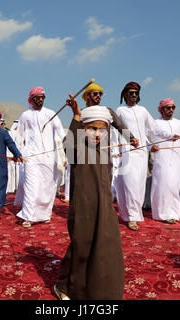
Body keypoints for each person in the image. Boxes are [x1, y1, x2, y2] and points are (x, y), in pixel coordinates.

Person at [54, 94, 124, 300]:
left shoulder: (105, 149)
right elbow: (68, 145)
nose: (97, 133)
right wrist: (76, 116)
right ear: (83, 129)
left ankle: (101, 290)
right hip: (83, 208)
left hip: (104, 206)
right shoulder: (78, 149)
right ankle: (64, 286)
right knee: (82, 247)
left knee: (106, 246)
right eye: (92, 128)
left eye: (102, 129)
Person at [114, 83, 179, 231]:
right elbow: (116, 129)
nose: (133, 95)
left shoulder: (143, 110)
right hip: (126, 151)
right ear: (125, 95)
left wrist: (169, 136)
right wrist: (121, 145)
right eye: (130, 93)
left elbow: (153, 128)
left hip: (142, 153)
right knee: (129, 185)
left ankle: (135, 214)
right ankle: (131, 218)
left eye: (136, 93)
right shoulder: (120, 110)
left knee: (139, 186)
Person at [16, 87, 66, 228]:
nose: (40, 99)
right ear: (31, 99)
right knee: (32, 186)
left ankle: (44, 215)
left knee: (48, 186)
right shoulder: (25, 115)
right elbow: (19, 136)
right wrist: (20, 153)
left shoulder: (51, 114)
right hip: (31, 156)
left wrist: (69, 143)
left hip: (50, 157)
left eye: (42, 97)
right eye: (37, 97)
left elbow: (61, 132)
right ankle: (28, 216)